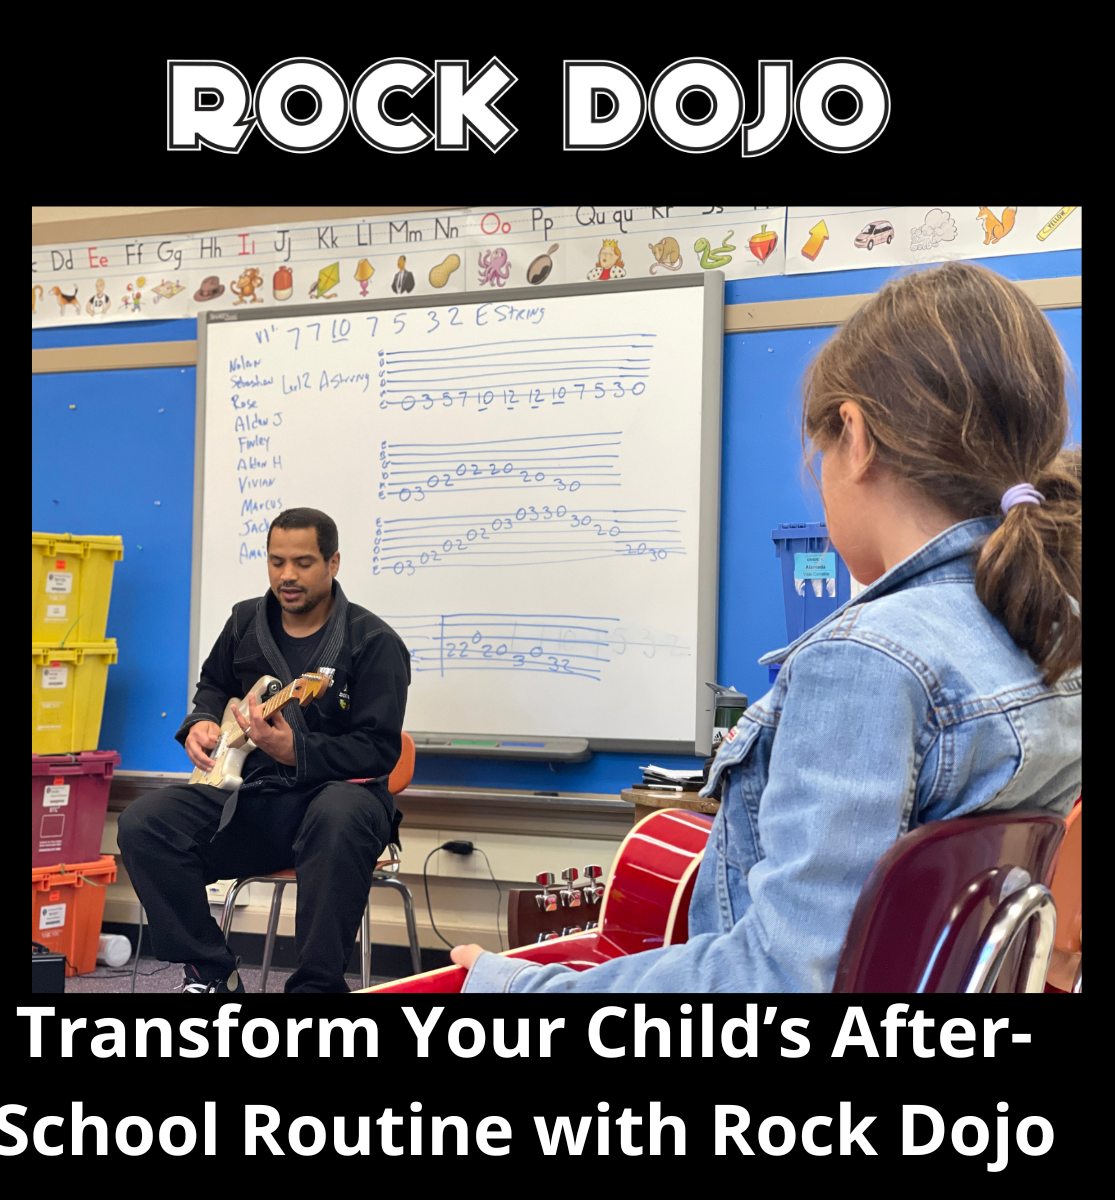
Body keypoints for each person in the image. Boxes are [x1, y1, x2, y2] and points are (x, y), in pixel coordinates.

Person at [452, 261, 1082, 992]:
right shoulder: (1050, 629)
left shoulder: (867, 662)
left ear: (856, 434)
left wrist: (514, 987)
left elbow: (779, 978)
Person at [118, 507, 411, 993]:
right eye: (277, 562)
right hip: (255, 800)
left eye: (303, 562)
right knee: (145, 822)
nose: (287, 576)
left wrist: (297, 751)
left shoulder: (373, 642)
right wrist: (201, 721)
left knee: (338, 813)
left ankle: (316, 990)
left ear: (333, 563)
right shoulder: (245, 620)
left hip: (341, 802)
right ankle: (211, 971)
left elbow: (379, 750)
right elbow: (213, 684)